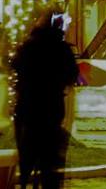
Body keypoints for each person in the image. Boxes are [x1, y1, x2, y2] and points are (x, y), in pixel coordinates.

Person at [11, 11, 81, 189]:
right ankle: (49, 181)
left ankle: (25, 176)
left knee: (27, 147)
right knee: (50, 152)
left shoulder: (28, 46)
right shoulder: (62, 48)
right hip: (51, 105)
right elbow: (72, 75)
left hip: (27, 104)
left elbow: (15, 65)